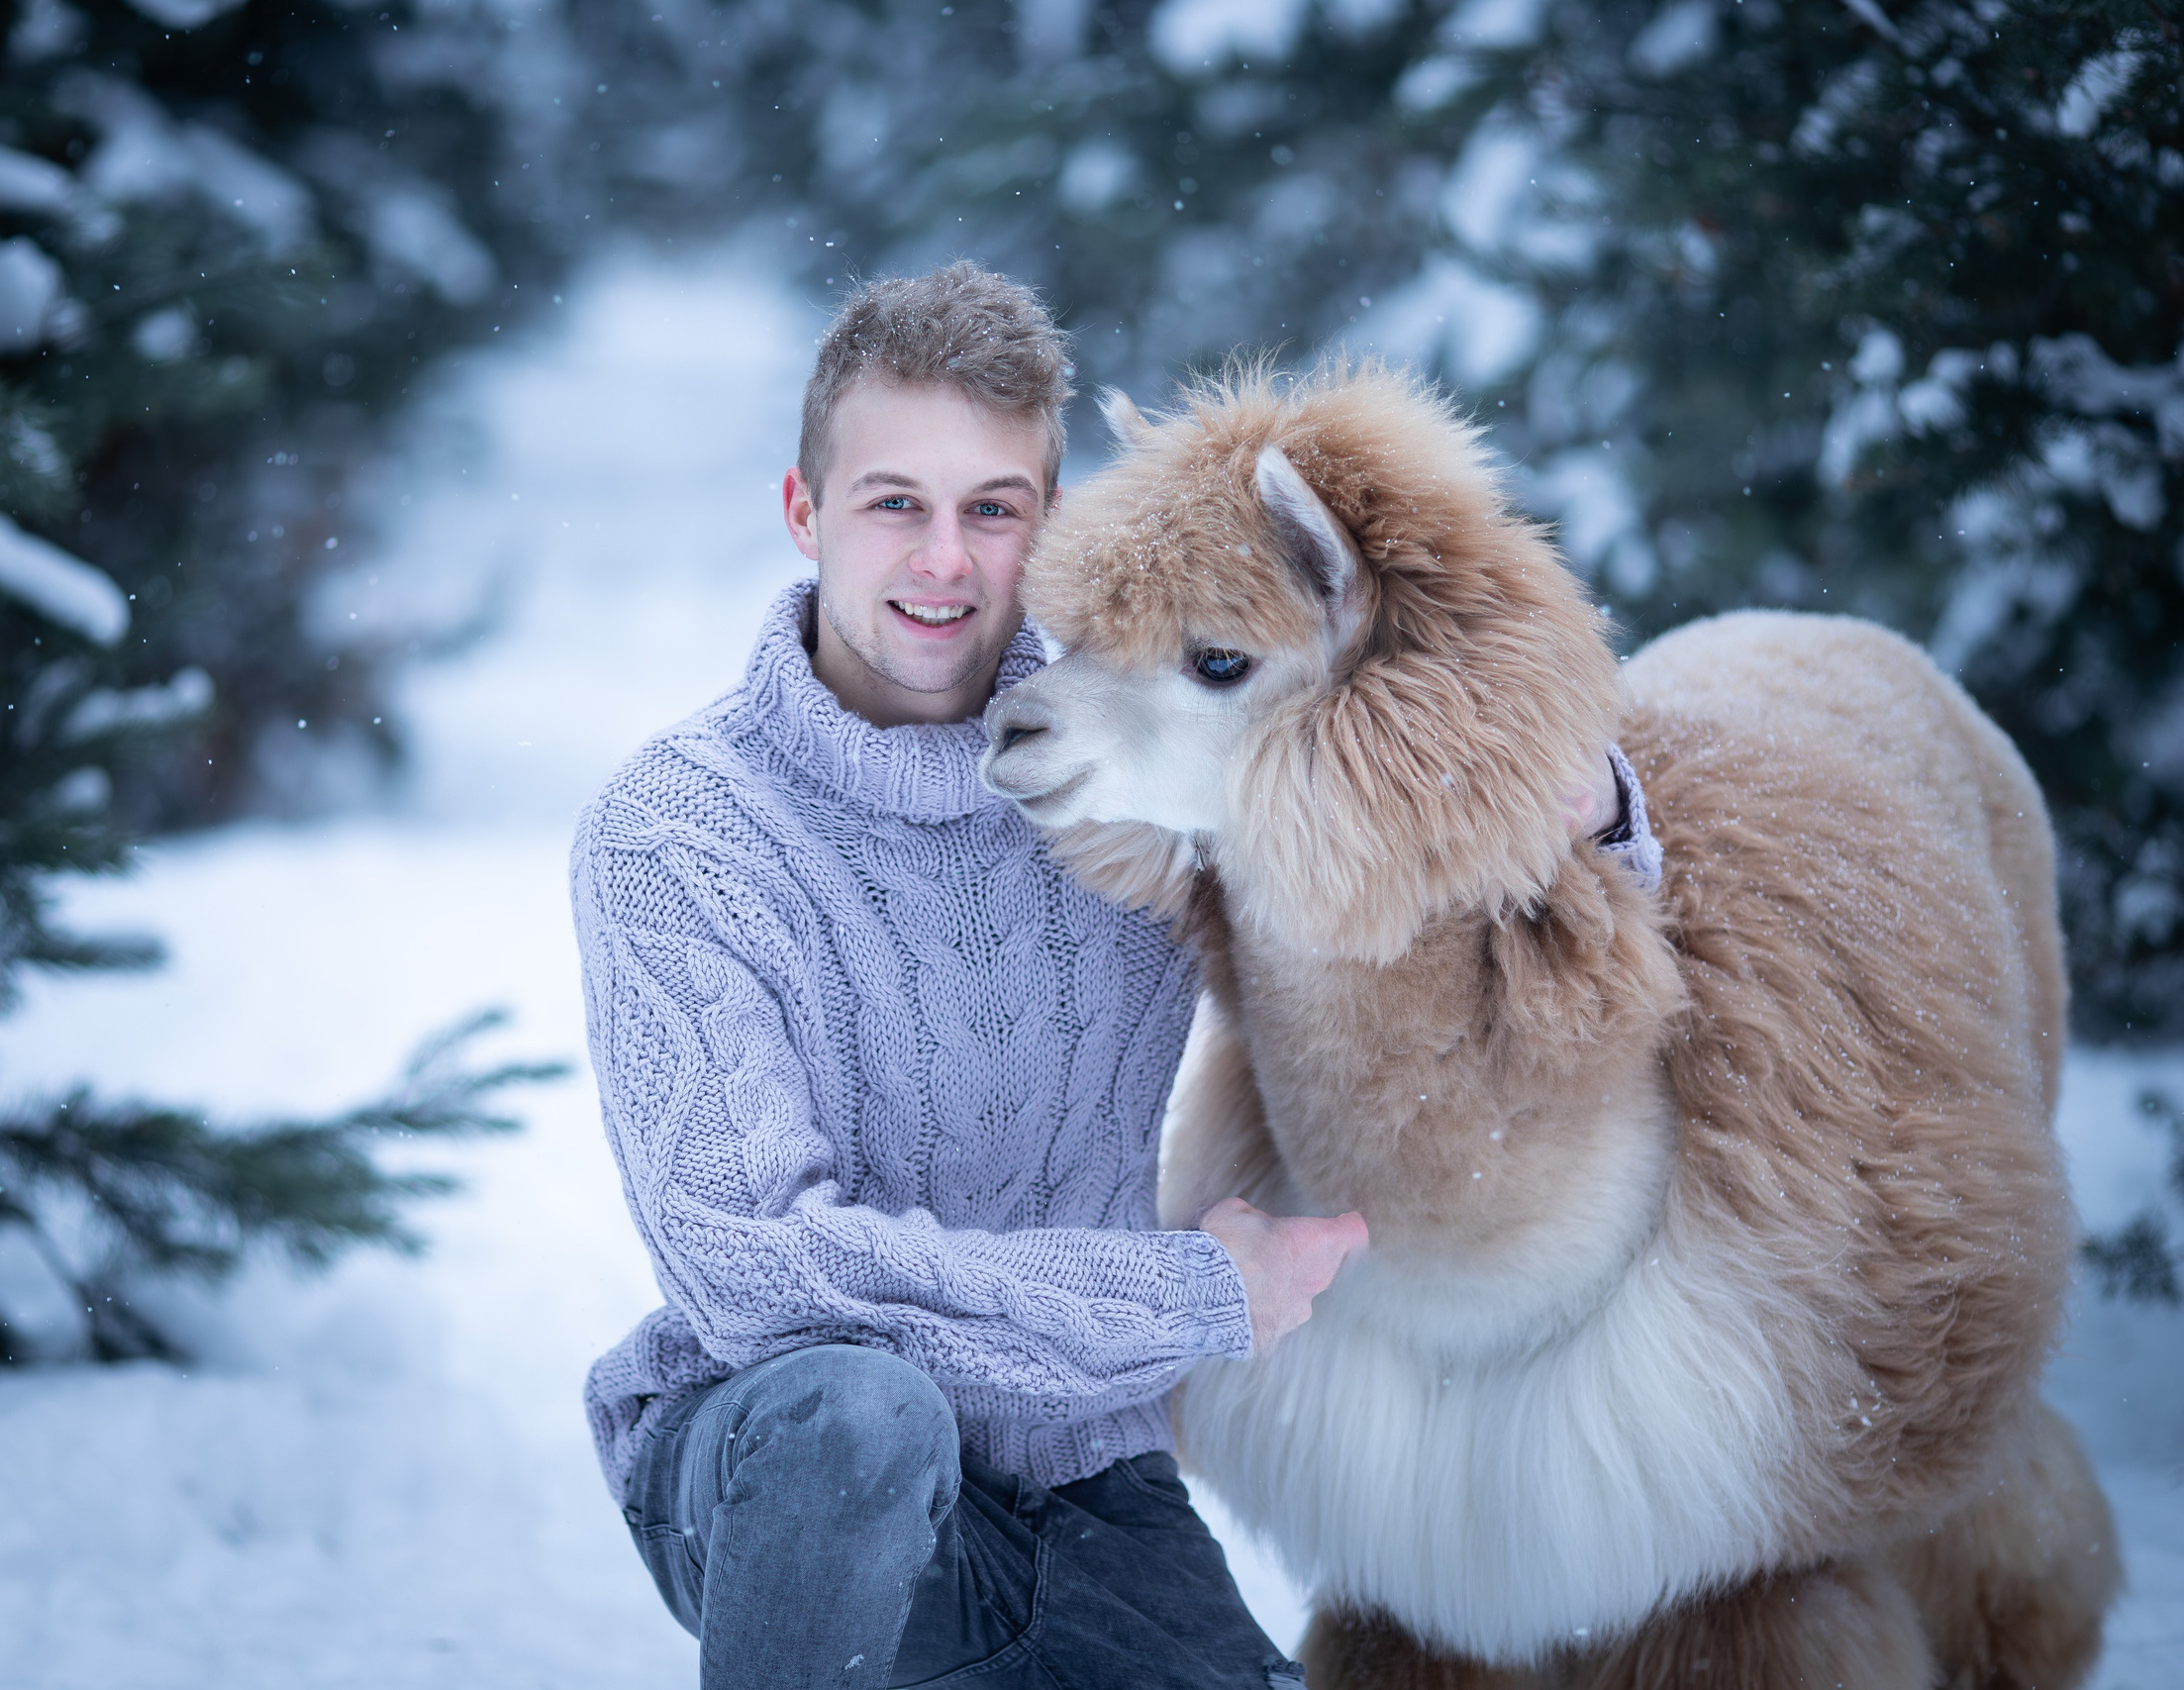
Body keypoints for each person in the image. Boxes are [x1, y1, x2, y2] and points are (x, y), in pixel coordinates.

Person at [572, 263, 1605, 1687]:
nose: (945, 560)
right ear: (805, 513)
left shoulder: (1120, 768)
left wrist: (1587, 803)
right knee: (861, 1420)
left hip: (1083, 1478)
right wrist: (1185, 1298)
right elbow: (759, 1274)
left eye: (993, 510)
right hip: (782, 1466)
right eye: (894, 505)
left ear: (1045, 525)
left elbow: (1383, 825)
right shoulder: (681, 834)